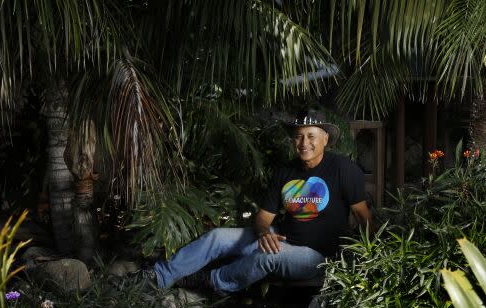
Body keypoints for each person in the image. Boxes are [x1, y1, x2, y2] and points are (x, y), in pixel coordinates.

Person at [144, 109, 373, 294]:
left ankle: (210, 280)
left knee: (267, 256)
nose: (304, 143)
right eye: (298, 136)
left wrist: (369, 261)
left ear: (326, 139)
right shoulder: (285, 171)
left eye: (311, 136)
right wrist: (265, 233)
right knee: (218, 237)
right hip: (282, 236)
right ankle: (159, 276)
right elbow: (264, 217)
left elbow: (363, 217)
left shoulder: (344, 170)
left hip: (316, 256)